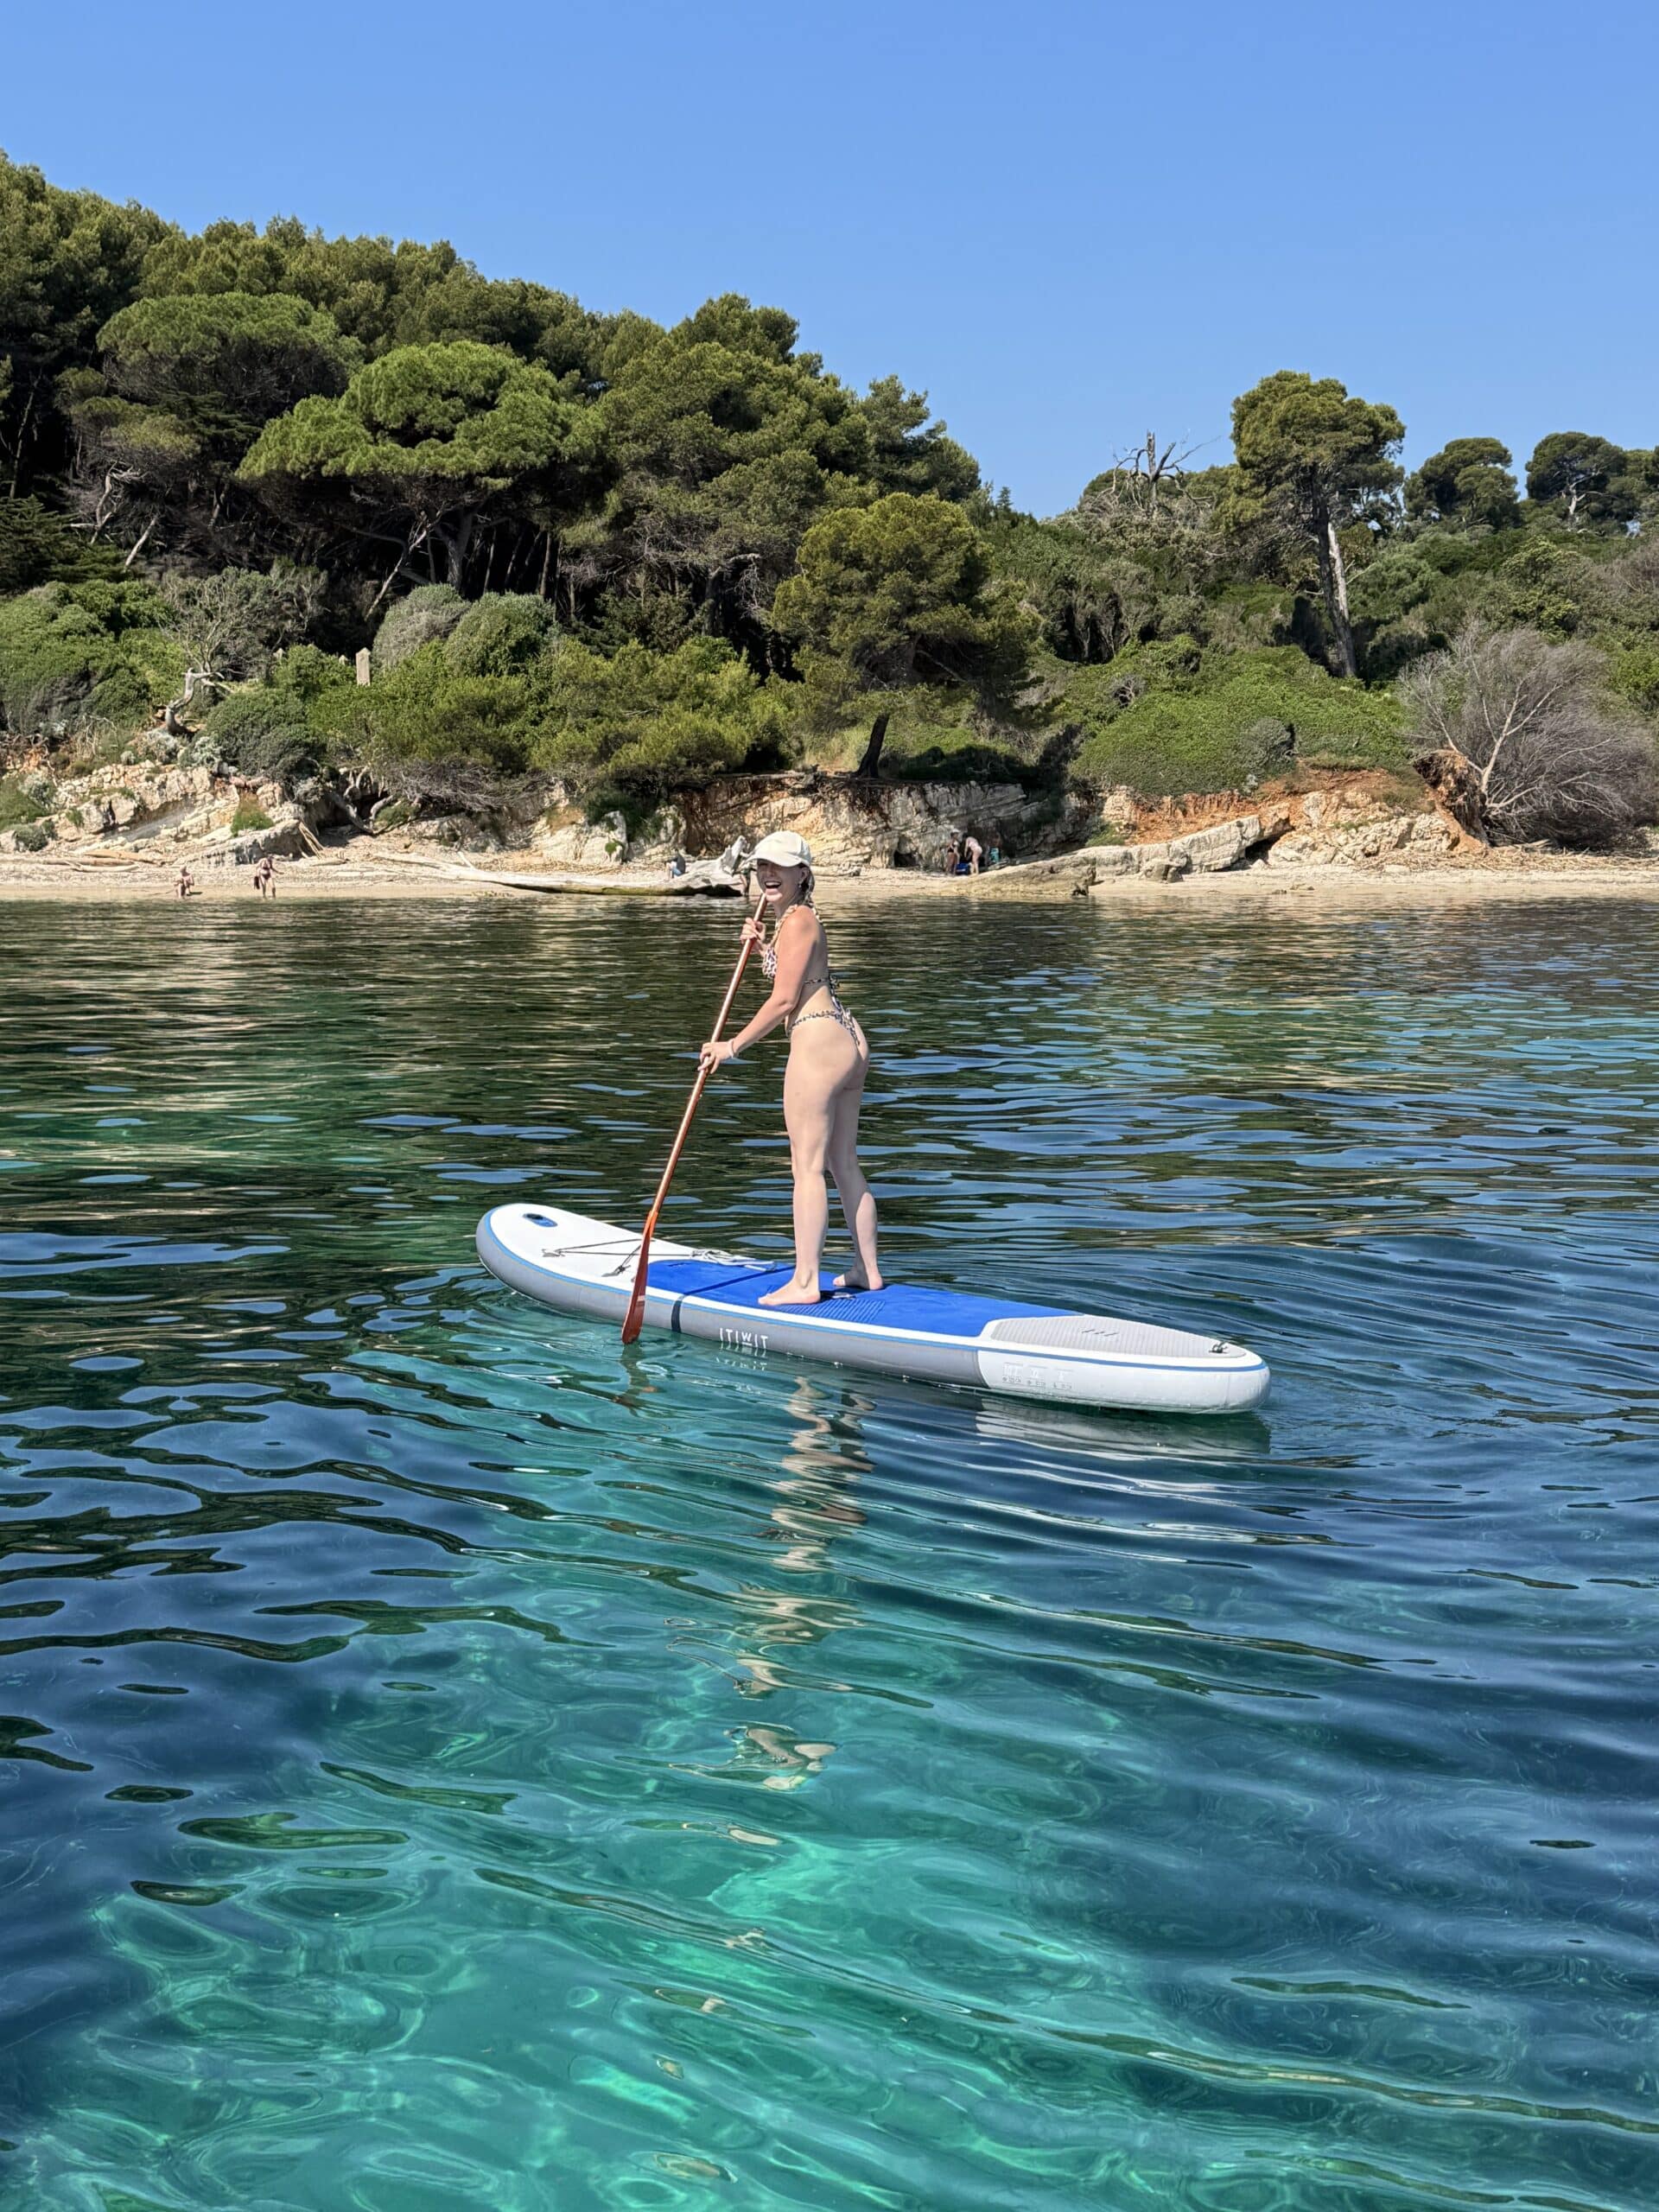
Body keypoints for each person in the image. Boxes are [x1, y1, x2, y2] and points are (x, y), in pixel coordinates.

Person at [700, 830, 881, 1306]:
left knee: (806, 1168)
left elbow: (783, 1001)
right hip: (846, 1038)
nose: (767, 875)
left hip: (818, 1043)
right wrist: (762, 949)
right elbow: (798, 978)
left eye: (778, 867)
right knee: (842, 1161)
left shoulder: (798, 920)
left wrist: (731, 1047)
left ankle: (805, 1281)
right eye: (762, 867)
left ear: (803, 873)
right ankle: (866, 1269)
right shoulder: (796, 920)